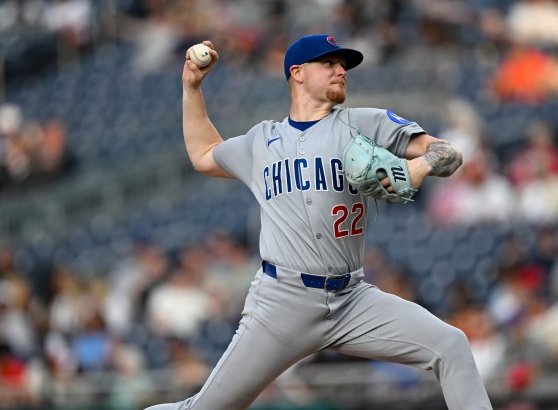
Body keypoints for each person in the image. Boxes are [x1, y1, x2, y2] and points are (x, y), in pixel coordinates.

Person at [146, 34, 493, 410]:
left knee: (451, 345)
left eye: (343, 65)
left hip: (352, 299)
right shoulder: (262, 141)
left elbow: (449, 151)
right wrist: (191, 87)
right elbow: (203, 155)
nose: (340, 70)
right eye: (328, 63)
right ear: (297, 72)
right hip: (282, 303)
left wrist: (419, 166)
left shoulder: (365, 124)